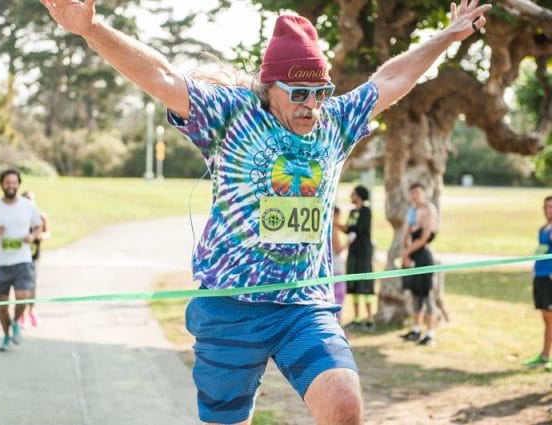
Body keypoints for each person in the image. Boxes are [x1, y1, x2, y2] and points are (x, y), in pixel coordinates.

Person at [40, 1, 491, 423]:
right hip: (230, 306)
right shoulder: (231, 115)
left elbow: (390, 79)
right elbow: (162, 78)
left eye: (320, 92)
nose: (311, 106)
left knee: (343, 402)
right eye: (299, 93)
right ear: (270, 87)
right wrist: (91, 28)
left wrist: (447, 37)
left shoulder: (332, 121)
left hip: (303, 303)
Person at [0, 169, 42, 352]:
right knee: (3, 306)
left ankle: (15, 323)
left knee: (23, 296)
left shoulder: (28, 206)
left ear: (18, 184)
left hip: (22, 260)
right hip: (1, 264)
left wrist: (32, 235)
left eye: (14, 182)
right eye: (7, 182)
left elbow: (38, 225)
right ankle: (6, 336)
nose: (11, 185)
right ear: (1, 184)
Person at [399, 183, 440, 346]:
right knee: (415, 295)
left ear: (423, 193)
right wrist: (404, 253)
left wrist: (407, 252)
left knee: (427, 296)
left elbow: (424, 237)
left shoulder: (429, 210)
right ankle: (416, 330)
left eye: (417, 193)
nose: (414, 196)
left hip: (424, 256)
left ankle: (430, 334)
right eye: (412, 193)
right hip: (412, 255)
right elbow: (406, 233)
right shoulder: (413, 211)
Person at [522, 196, 552, 369]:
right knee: (546, 319)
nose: (548, 210)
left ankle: (546, 355)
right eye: (546, 206)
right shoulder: (543, 229)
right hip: (540, 276)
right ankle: (544, 355)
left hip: (549, 277)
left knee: (550, 318)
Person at [341, 186, 375, 332]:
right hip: (353, 252)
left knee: (365, 283)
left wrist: (347, 229)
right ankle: (356, 317)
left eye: (354, 193)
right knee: (353, 283)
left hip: (364, 252)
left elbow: (357, 229)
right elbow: (348, 229)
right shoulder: (352, 212)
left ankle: (369, 318)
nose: (351, 195)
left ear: (360, 195)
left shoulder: (366, 211)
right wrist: (334, 223)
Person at [18, 191, 51, 329]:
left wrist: (39, 236)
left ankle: (32, 310)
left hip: (34, 255)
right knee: (21, 287)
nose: (29, 202)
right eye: (26, 199)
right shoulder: (18, 217)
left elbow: (48, 233)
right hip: (20, 256)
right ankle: (22, 314)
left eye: (31, 199)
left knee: (32, 285)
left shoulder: (41, 216)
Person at [332, 206, 346, 324]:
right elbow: (338, 249)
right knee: (339, 296)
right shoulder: (333, 230)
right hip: (335, 267)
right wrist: (349, 242)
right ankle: (339, 325)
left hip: (329, 267)